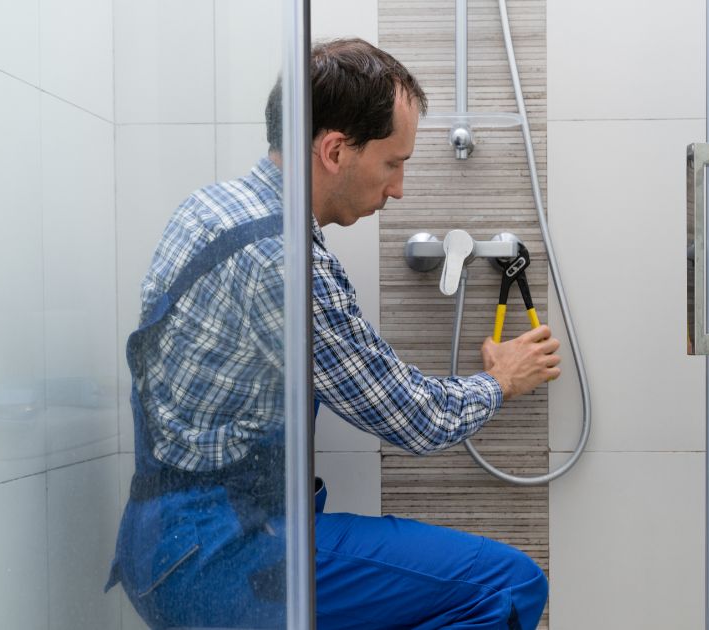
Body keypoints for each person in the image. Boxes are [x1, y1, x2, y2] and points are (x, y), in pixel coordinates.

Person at [106, 38, 560, 630]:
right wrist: (500, 381)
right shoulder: (284, 261)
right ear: (335, 150)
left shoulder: (211, 208)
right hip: (225, 557)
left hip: (161, 544)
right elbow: (412, 419)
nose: (397, 189)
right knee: (508, 583)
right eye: (393, 163)